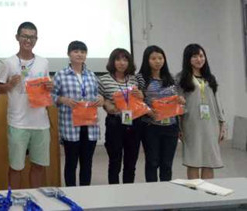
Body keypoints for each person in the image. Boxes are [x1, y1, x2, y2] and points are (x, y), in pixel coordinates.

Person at [0, 22, 51, 189]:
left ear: (36, 39)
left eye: (32, 37)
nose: (28, 40)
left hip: (40, 123)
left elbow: (47, 86)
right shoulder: (9, 62)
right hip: (18, 123)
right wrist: (9, 85)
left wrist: (50, 86)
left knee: (38, 166)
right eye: (25, 36)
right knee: (16, 167)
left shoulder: (43, 62)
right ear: (17, 37)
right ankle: (14, 198)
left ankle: (35, 198)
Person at [52, 41, 103, 187]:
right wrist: (63, 99)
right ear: (69, 54)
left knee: (87, 163)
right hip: (70, 126)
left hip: (90, 126)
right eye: (76, 51)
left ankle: (85, 192)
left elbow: (97, 94)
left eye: (83, 51)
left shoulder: (91, 75)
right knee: (71, 163)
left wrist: (100, 99)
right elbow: (51, 96)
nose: (79, 54)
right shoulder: (60, 75)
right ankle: (71, 192)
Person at [136, 45, 185, 182]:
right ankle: (152, 191)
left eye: (160, 58)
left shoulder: (171, 78)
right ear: (147, 60)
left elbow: (177, 98)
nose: (157, 61)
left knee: (167, 164)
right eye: (153, 58)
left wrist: (180, 100)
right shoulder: (141, 78)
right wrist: (148, 111)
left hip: (171, 126)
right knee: (152, 162)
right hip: (150, 126)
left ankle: (166, 191)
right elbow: (136, 102)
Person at [177, 44, 225, 180]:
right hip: (191, 123)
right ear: (188, 59)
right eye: (195, 56)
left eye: (201, 56)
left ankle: (207, 191)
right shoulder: (181, 78)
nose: (199, 59)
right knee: (193, 160)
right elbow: (177, 104)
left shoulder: (211, 78)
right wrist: (178, 127)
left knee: (209, 160)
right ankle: (194, 191)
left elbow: (218, 101)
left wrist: (222, 123)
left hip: (211, 123)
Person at [98, 48, 144, 184]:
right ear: (112, 61)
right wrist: (106, 104)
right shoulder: (103, 79)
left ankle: (128, 191)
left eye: (125, 59)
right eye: (118, 59)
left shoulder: (135, 79)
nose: (122, 63)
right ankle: (114, 190)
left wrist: (141, 95)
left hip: (134, 122)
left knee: (131, 162)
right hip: (115, 123)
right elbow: (99, 97)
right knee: (115, 161)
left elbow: (142, 98)